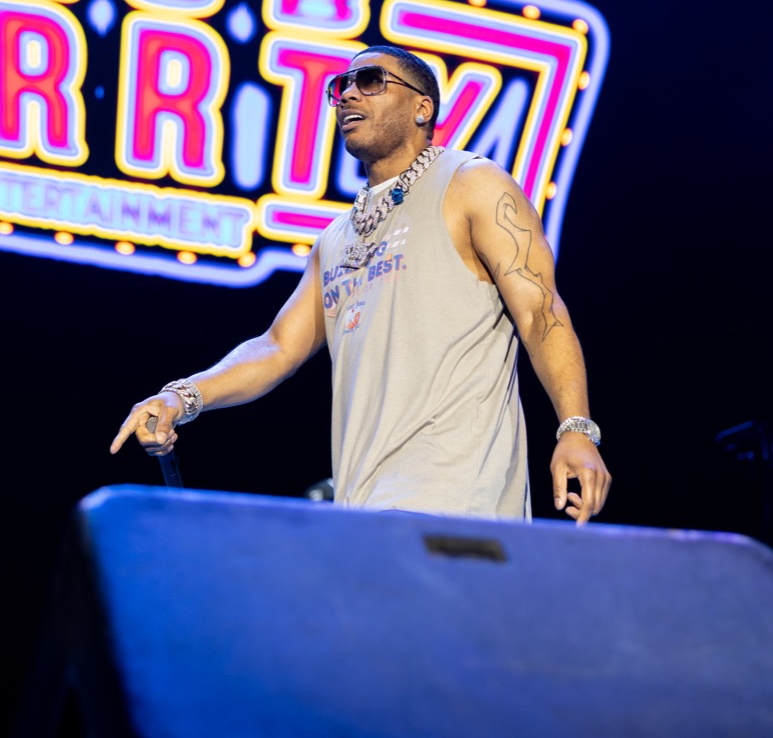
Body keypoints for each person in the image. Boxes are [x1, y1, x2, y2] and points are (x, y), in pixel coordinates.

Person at [111, 46, 611, 524]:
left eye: (370, 81)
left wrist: (576, 428)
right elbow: (277, 348)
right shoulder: (335, 238)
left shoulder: (470, 182)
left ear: (422, 108)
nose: (348, 94)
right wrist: (181, 397)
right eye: (341, 86)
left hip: (457, 499)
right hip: (363, 509)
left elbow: (539, 310)